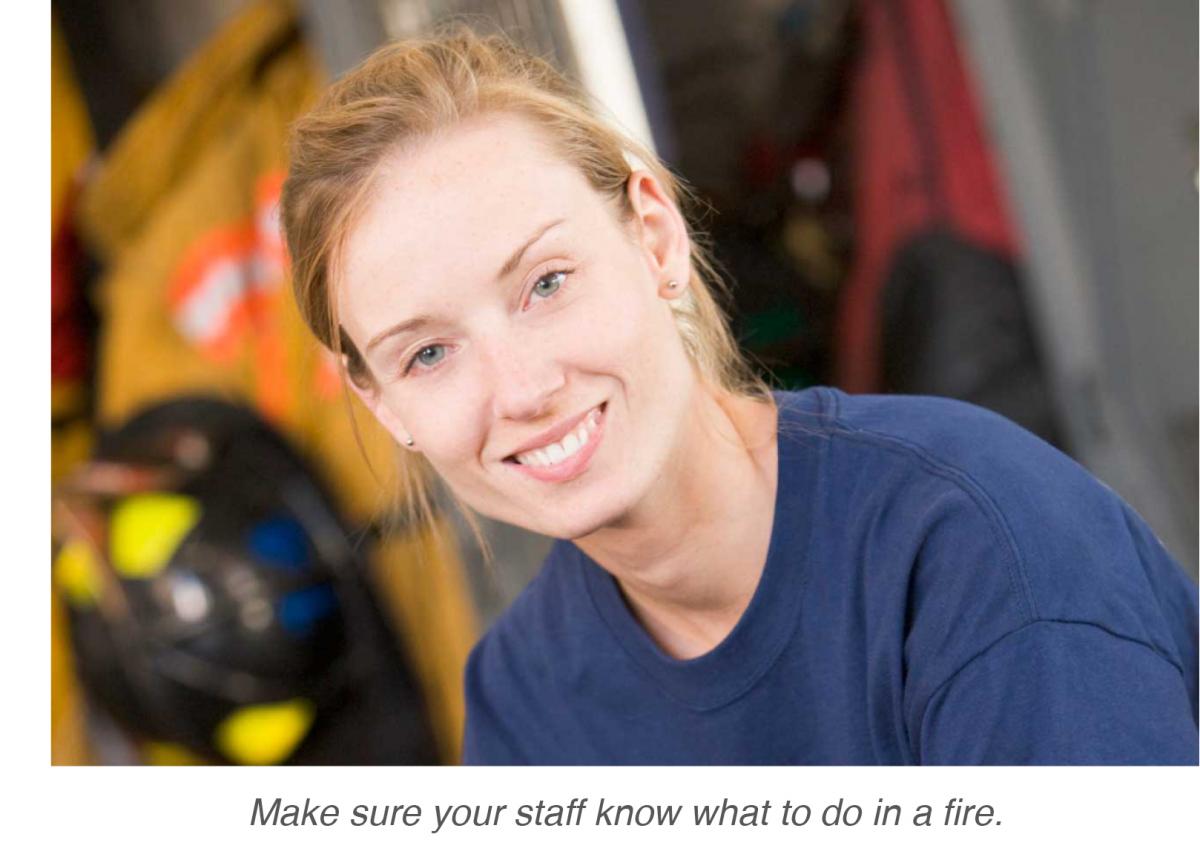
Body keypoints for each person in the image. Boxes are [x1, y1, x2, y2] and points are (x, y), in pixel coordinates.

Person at [280, 29, 1198, 764]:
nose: (522, 390)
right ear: (382, 403)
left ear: (654, 239)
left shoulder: (974, 548)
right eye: (430, 353)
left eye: (547, 284)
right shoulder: (524, 699)